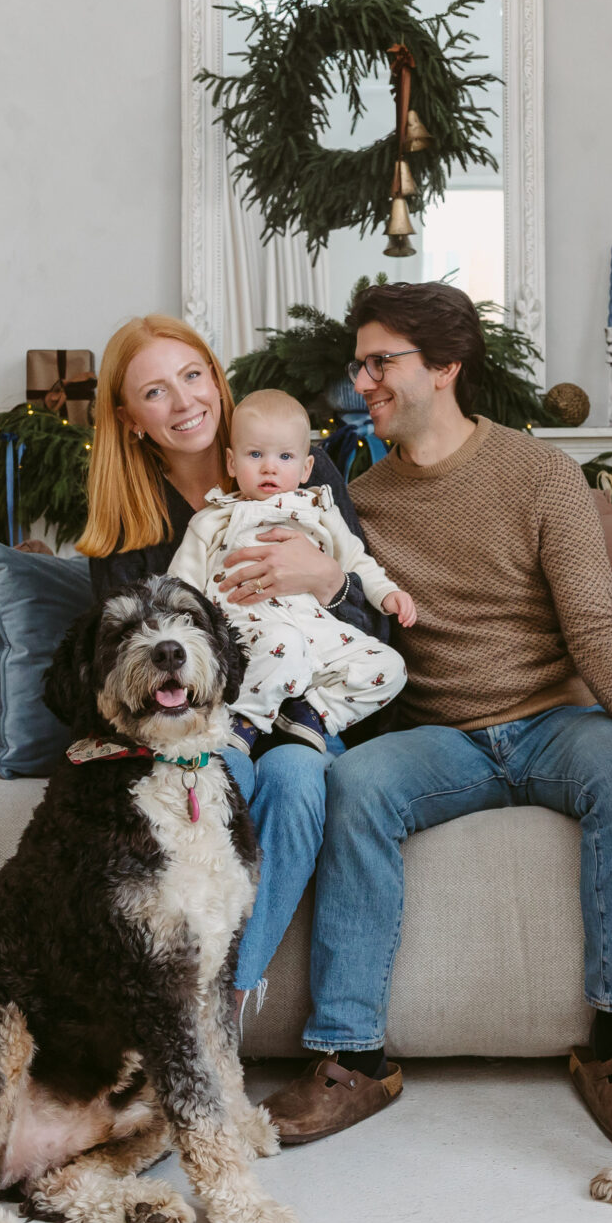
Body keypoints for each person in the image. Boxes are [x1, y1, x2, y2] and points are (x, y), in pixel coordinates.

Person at [261, 282, 612, 1149]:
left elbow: (594, 626)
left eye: (382, 362)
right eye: (358, 362)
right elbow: (343, 621)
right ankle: (354, 1057)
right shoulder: (359, 502)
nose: (361, 380)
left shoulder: (541, 474)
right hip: (439, 735)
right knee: (357, 783)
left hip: (555, 720)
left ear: (445, 366)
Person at [76, 315, 388, 1008]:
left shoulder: (295, 465)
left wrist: (327, 581)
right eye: (155, 391)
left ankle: (225, 992)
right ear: (130, 419)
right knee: (223, 771)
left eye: (192, 377)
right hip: (201, 724)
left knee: (300, 772)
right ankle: (198, 996)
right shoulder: (128, 525)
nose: (183, 401)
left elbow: (377, 627)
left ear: (216, 382)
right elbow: (127, 669)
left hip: (305, 709)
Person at [167, 388, 416, 754]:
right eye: (256, 455)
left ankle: (310, 713)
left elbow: (356, 560)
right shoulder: (214, 519)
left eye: (284, 456)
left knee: (390, 666)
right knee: (283, 642)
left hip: (318, 631)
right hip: (252, 632)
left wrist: (387, 593)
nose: (270, 467)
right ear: (232, 464)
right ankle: (244, 720)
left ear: (305, 469)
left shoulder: (320, 514)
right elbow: (179, 587)